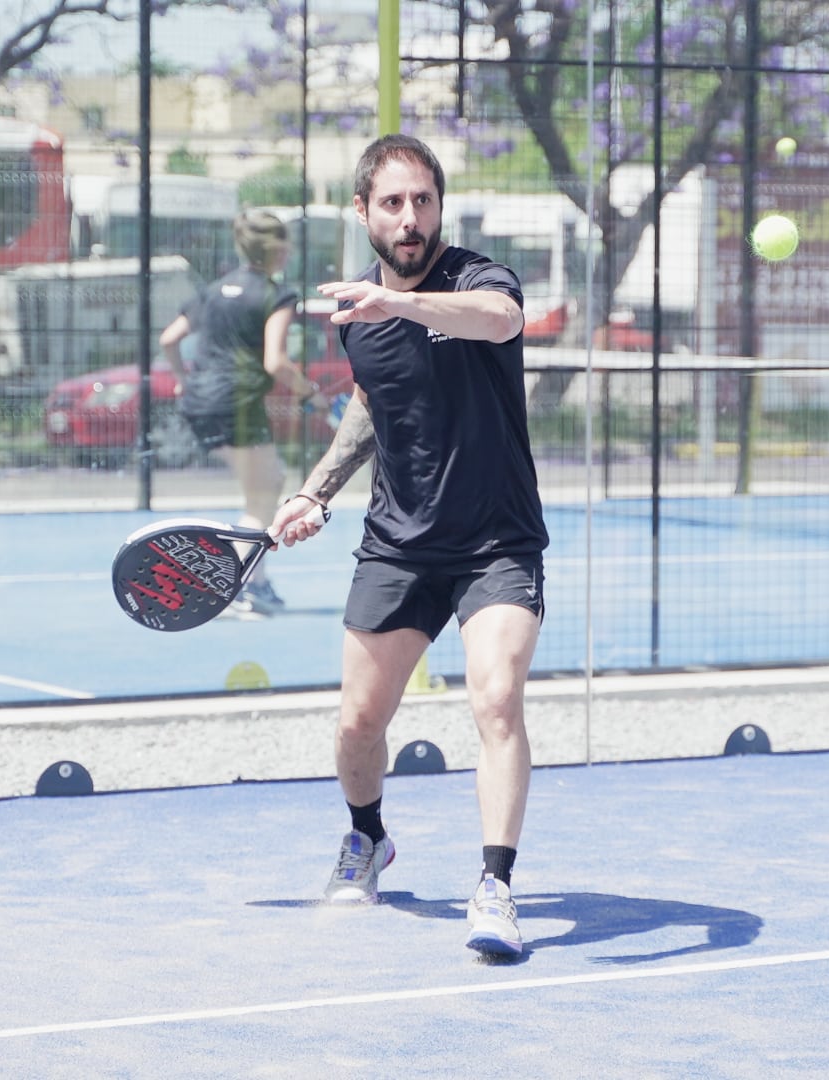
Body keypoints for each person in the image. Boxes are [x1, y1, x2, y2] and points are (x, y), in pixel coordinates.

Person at [267, 134, 548, 958]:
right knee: (359, 724)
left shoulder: (477, 280)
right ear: (364, 213)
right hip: (399, 543)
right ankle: (368, 838)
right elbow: (370, 404)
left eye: (422, 199)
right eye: (393, 202)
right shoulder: (360, 318)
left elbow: (500, 323)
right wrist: (315, 490)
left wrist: (408, 304)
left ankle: (495, 887)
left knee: (496, 700)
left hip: (496, 540)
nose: (411, 216)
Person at [159, 209, 326, 617]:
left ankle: (254, 583)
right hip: (238, 404)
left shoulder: (213, 290)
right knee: (262, 495)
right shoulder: (276, 295)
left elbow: (169, 340)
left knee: (267, 484)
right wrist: (312, 393)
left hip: (201, 402)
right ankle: (240, 586)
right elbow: (276, 363)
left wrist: (183, 379)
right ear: (279, 249)